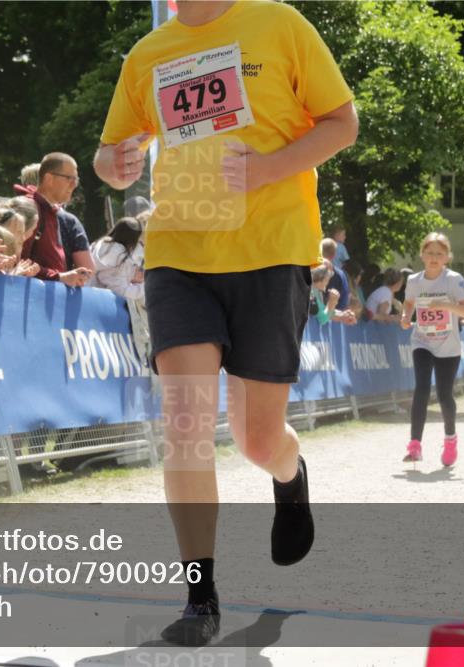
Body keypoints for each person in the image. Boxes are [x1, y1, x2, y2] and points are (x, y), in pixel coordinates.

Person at [94, 0, 358, 646]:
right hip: (180, 253)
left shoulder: (280, 25)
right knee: (184, 424)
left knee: (256, 440)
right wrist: (117, 164)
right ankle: (199, 595)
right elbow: (109, 151)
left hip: (270, 251)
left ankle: (289, 478)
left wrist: (268, 169)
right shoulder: (148, 55)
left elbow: (342, 122)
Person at [399, 233, 464, 467]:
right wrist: (405, 316)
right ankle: (415, 445)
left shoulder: (454, 280)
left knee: (444, 395)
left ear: (447, 258)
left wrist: (445, 305)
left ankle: (450, 439)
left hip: (448, 346)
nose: (433, 258)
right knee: (421, 389)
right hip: (422, 341)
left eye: (439, 254)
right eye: (429, 253)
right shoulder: (414, 281)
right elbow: (409, 302)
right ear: (422, 255)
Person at [19, 153, 93, 287]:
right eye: (69, 178)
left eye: (76, 180)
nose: (74, 185)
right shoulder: (29, 209)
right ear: (49, 179)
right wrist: (59, 277)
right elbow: (16, 262)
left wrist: (62, 277)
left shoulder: (49, 210)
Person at [90, 217, 145, 301]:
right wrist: (147, 286)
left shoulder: (99, 244)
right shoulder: (121, 257)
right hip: (99, 302)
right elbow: (120, 292)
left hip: (87, 293)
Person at [319, 238, 351, 314]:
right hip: (336, 318)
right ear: (334, 255)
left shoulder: (310, 271)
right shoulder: (341, 275)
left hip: (318, 316)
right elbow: (344, 300)